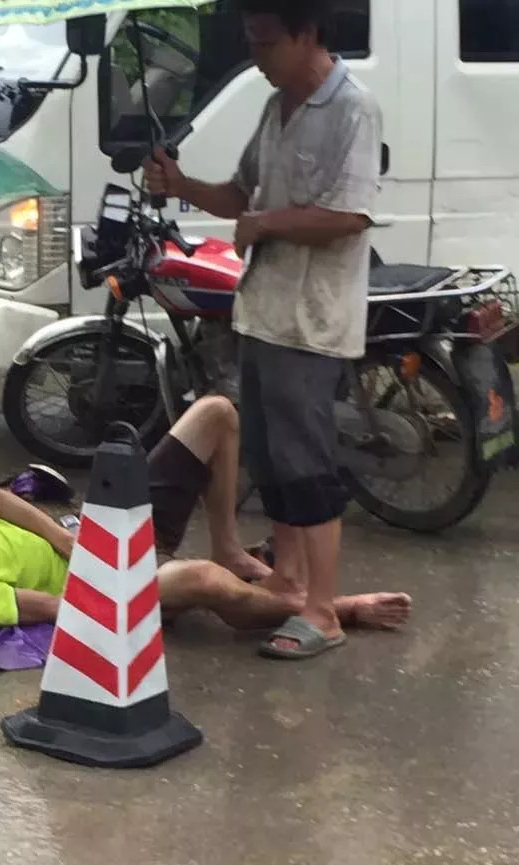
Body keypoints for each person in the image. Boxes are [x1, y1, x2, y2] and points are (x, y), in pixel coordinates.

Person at [143, 0, 382, 660]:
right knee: (272, 460)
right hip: (263, 313)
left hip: (310, 322)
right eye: (251, 42)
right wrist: (180, 182)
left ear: (307, 34)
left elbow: (350, 216)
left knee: (307, 465)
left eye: (268, 43)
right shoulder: (277, 107)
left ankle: (323, 612)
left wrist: (266, 225)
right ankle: (289, 579)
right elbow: (239, 195)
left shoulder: (352, 110)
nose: (258, 56)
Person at [0, 396, 411, 645]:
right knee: (205, 584)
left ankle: (231, 548)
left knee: (216, 414)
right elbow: (72, 612)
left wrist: (66, 538)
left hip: (98, 527)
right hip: (109, 580)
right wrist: (102, 571)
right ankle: (336, 609)